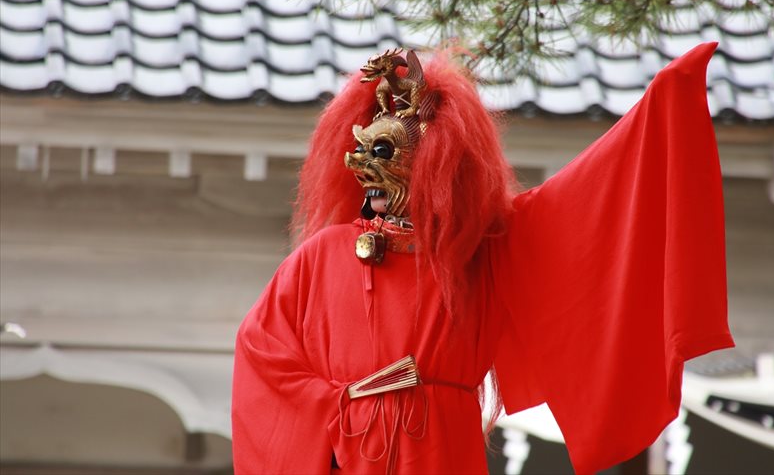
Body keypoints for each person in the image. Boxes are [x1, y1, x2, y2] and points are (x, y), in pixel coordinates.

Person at [232, 43, 734, 474]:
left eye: (381, 151)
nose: (361, 162)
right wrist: (339, 405)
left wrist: (661, 109)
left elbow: (584, 203)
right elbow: (262, 354)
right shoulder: (321, 255)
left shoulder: (475, 253)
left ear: (427, 162)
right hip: (355, 449)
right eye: (361, 149)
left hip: (442, 450)